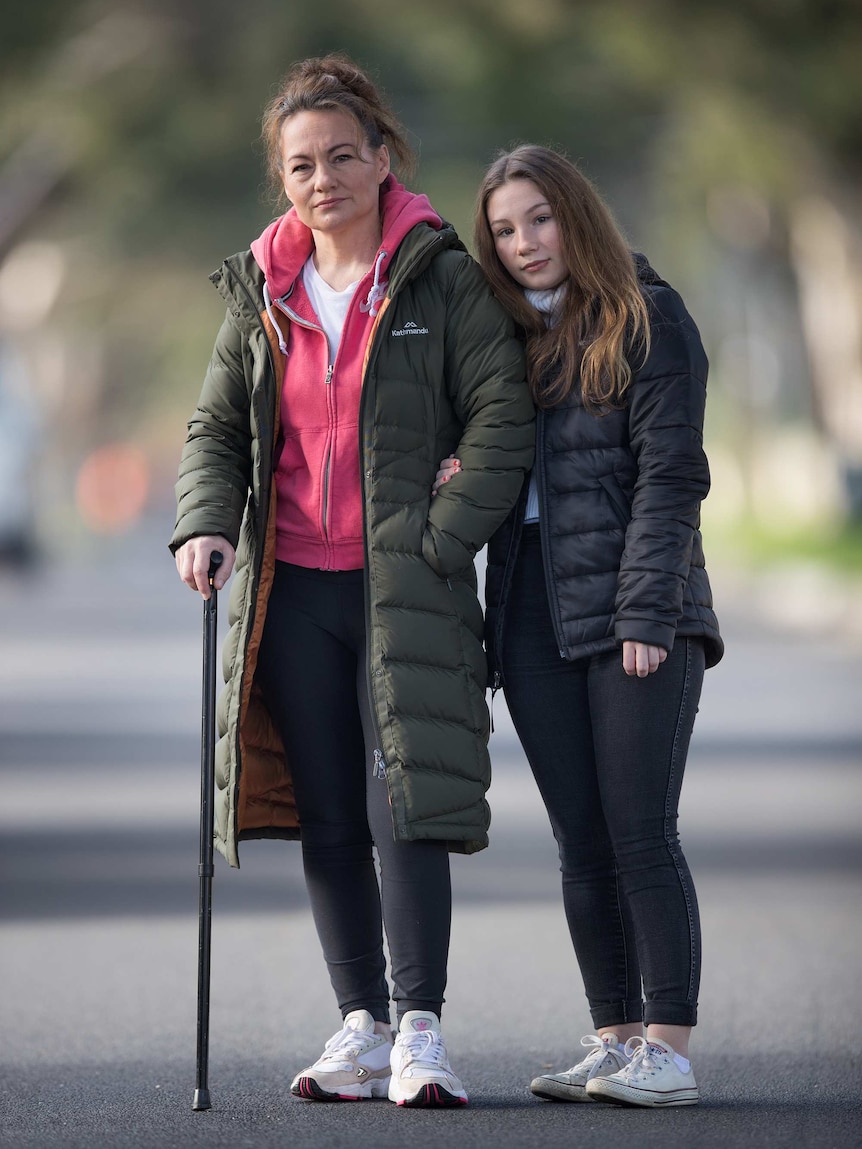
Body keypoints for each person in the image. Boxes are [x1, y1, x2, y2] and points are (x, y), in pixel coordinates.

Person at [170, 56, 534, 1108]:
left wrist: (437, 538)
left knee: (403, 805)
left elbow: (501, 418)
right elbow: (213, 428)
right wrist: (205, 524)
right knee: (330, 810)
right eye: (299, 164)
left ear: (381, 160)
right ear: (281, 180)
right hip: (292, 591)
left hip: (403, 587)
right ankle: (361, 1026)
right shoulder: (263, 290)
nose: (321, 178)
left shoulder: (442, 280)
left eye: (340, 156)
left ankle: (422, 1031)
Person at [435, 145, 723, 1107]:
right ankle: (614, 1036)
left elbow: (672, 475)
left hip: (640, 615)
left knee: (641, 830)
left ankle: (669, 1049)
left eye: (539, 219)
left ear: (578, 217)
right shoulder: (504, 342)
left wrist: (647, 606)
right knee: (581, 841)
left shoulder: (650, 317)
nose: (524, 243)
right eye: (505, 230)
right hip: (531, 622)